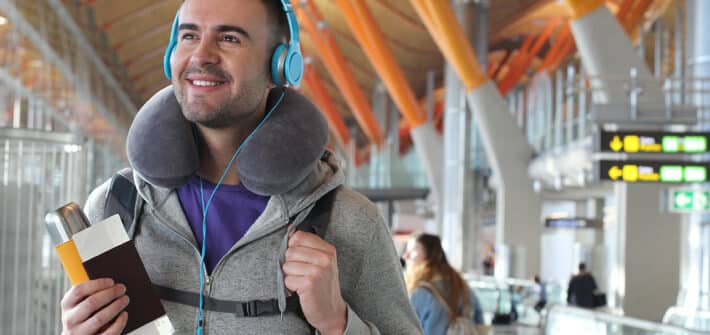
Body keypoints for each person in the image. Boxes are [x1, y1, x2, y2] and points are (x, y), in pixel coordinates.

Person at [58, 0, 422, 334]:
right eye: (189, 36)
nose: (201, 54)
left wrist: (338, 323)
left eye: (229, 38)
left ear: (279, 65)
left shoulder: (348, 222)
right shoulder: (115, 207)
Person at [403, 233, 484, 335]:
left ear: (430, 254)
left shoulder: (420, 293)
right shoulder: (462, 286)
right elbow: (479, 322)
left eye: (412, 250)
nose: (405, 256)